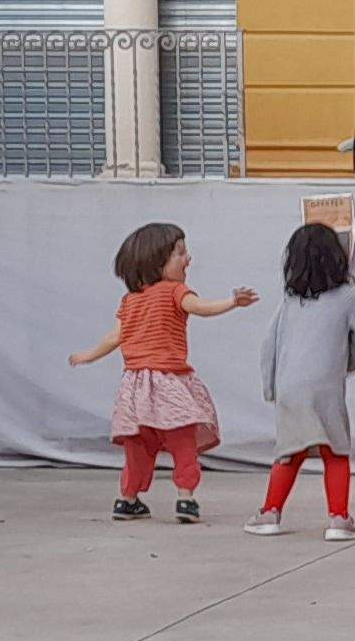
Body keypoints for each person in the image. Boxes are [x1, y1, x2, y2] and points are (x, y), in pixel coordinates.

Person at [70, 221, 253, 522]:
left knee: (138, 446)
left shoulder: (130, 301)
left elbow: (114, 338)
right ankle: (185, 499)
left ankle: (127, 500)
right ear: (156, 262)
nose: (188, 259)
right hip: (169, 384)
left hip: (134, 388)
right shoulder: (174, 291)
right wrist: (232, 302)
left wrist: (88, 356)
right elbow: (201, 307)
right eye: (180, 253)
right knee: (183, 442)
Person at [251, 219, 355, 540]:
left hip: (289, 388)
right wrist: (340, 367)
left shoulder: (289, 303)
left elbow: (269, 347)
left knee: (289, 451)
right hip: (326, 388)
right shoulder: (349, 297)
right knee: (336, 451)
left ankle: (269, 514)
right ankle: (338, 519)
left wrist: (271, 388)